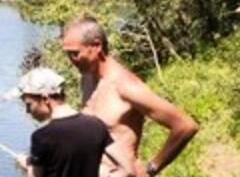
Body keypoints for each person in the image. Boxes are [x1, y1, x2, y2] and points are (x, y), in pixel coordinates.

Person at [62, 15, 199, 176]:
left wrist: (151, 169)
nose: (71, 60)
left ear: (96, 46)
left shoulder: (125, 86)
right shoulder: (87, 79)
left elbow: (185, 125)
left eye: (75, 54)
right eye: (68, 54)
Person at [10, 67, 133, 177]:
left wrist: (28, 166)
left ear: (45, 99)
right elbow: (128, 169)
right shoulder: (96, 125)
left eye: (29, 104)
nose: (27, 111)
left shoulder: (42, 137)